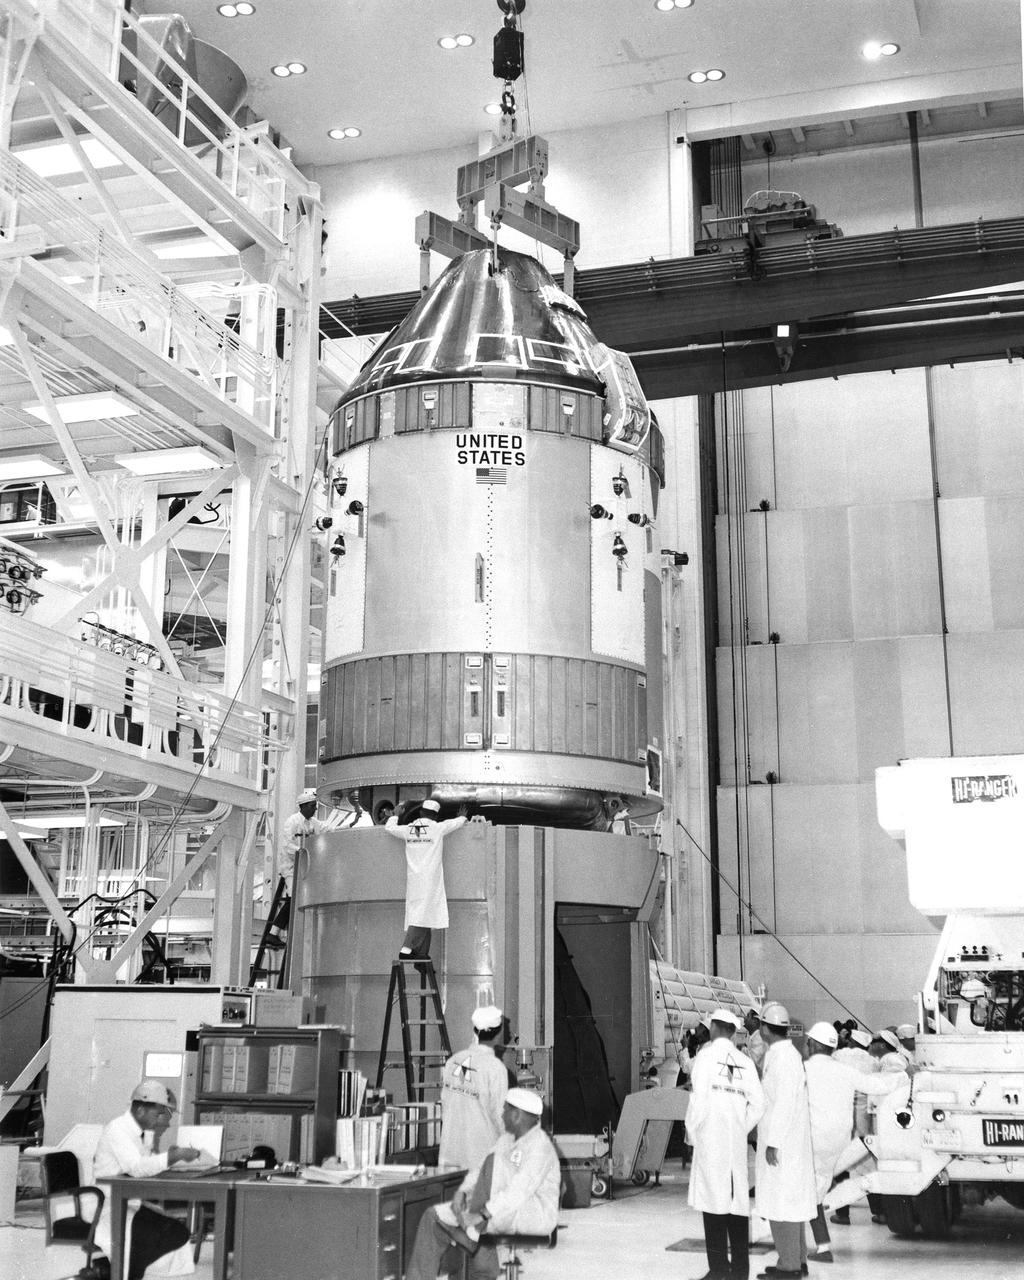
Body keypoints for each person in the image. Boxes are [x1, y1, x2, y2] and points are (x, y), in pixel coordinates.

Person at [405, 1087, 560, 1280]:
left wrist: (483, 1215)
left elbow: (518, 1192)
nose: (502, 1116)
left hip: (530, 1213)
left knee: (469, 1223)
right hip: (497, 1209)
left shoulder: (540, 1147)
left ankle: (480, 1261)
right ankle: (474, 1250)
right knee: (433, 1217)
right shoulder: (506, 1140)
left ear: (517, 1115)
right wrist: (462, 1191)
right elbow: (479, 1170)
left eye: (505, 1110)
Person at [804, 1022, 908, 1262]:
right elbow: (878, 1085)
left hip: (811, 1140)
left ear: (812, 1044)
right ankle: (822, 1246)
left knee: (805, 1193)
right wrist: (904, 1076)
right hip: (840, 1141)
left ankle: (808, 1250)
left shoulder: (804, 1070)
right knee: (816, 1191)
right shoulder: (844, 1070)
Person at [93, 1080, 202, 1280]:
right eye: (159, 1113)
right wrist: (173, 1157)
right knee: (150, 1236)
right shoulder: (117, 1129)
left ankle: (111, 1267)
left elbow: (147, 1165)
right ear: (141, 1110)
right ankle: (120, 1272)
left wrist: (171, 1160)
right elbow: (136, 1168)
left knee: (178, 1233)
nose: (162, 1120)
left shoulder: (142, 1133)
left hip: (131, 1203)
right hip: (111, 1206)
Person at [686, 1008, 765, 1280]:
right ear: (731, 1031)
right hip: (735, 1142)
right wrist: (740, 1126)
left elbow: (698, 1100)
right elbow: (759, 1104)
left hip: (710, 1139)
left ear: (715, 1029)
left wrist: (692, 1133)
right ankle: (740, 1270)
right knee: (737, 1203)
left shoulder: (705, 1057)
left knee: (713, 1203)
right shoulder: (744, 1061)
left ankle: (718, 1269)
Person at [754, 1003, 817, 1280]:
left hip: (783, 1144)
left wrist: (773, 1142)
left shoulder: (784, 1059)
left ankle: (789, 1266)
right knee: (789, 1202)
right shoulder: (781, 1055)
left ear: (765, 1029)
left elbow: (783, 1105)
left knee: (782, 1203)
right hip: (786, 1141)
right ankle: (795, 1260)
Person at [383, 797, 471, 958]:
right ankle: (406, 949)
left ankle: (421, 954)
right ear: (435, 816)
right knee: (423, 913)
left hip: (414, 878)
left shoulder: (409, 829)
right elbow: (455, 823)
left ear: (421, 812)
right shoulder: (437, 828)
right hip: (430, 878)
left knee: (425, 913)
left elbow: (390, 828)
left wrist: (395, 815)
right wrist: (463, 816)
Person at [439, 1005, 511, 1172]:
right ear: (499, 1033)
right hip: (481, 1157)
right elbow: (501, 1116)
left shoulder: (453, 1061)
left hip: (450, 1156)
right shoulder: (495, 1067)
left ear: (475, 1031)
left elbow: (445, 1103)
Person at [269, 788, 329, 932]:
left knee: (300, 896)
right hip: (290, 866)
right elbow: (287, 844)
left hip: (304, 866)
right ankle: (273, 932)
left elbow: (329, 829)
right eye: (312, 806)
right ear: (303, 807)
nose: (314, 809)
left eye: (315, 806)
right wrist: (300, 851)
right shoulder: (292, 821)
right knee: (294, 896)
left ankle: (275, 933)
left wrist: (352, 824)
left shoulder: (313, 823)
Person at [743, 1008, 767, 1075]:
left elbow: (753, 1061)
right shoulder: (752, 1036)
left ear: (755, 1021)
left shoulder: (759, 1038)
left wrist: (740, 1049)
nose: (744, 1018)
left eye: (748, 1016)